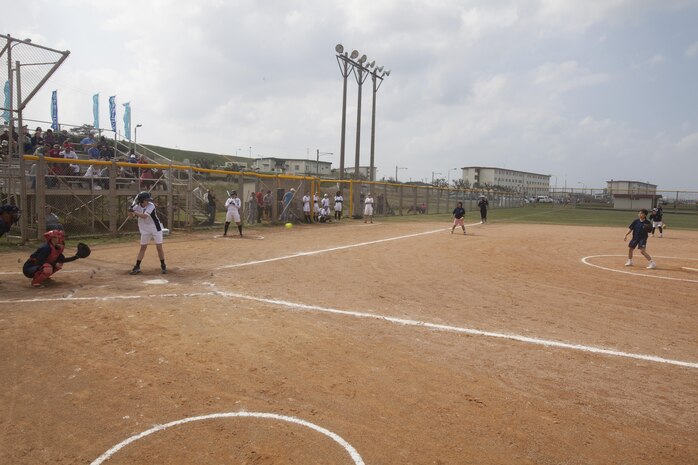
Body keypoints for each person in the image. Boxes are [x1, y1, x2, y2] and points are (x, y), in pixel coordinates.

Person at [128, 191, 167, 274]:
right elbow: (130, 217)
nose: (148, 201)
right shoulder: (136, 207)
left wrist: (133, 211)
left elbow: (145, 216)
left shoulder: (151, 205)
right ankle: (137, 266)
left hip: (155, 228)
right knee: (143, 247)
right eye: (146, 200)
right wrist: (130, 210)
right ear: (141, 200)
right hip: (145, 229)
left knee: (159, 247)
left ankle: (163, 264)